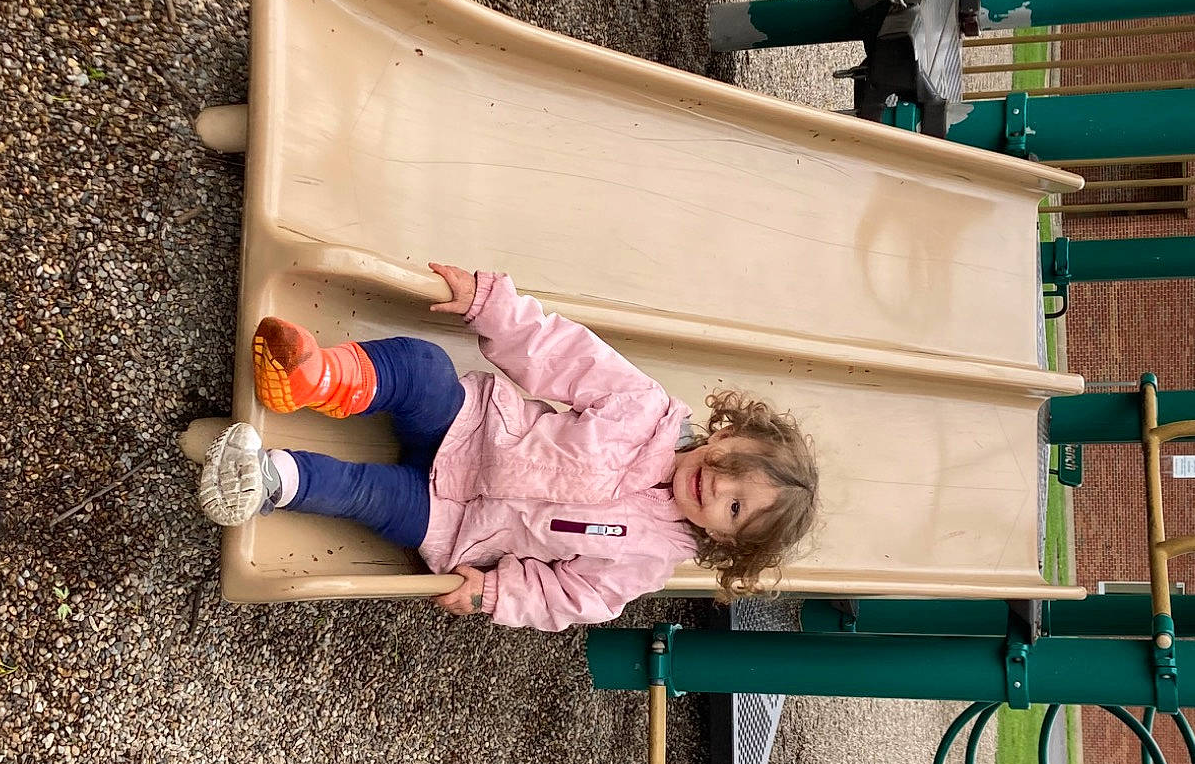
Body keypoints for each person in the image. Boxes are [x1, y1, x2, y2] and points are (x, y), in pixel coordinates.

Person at [197, 263, 819, 632]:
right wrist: (492, 307)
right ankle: (319, 378)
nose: (716, 487)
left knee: (370, 496)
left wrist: (494, 594)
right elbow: (562, 356)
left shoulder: (647, 561)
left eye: (735, 508)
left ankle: (265, 477)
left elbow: (567, 597)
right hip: (469, 428)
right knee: (423, 367)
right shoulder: (643, 408)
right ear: (726, 433)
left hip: (458, 525)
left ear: (728, 542)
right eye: (731, 468)